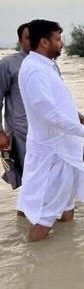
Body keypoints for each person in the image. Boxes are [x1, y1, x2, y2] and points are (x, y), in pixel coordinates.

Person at [17, 20, 84, 242]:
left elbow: (62, 104)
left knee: (68, 205)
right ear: (44, 42)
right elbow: (50, 113)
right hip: (53, 153)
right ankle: (32, 263)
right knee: (45, 217)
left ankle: (67, 257)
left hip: (66, 150)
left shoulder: (48, 66)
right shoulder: (34, 71)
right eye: (57, 39)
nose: (61, 44)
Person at [0, 24, 31, 189]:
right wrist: (0, 133)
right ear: (20, 40)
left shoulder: (49, 65)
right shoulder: (8, 64)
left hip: (46, 134)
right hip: (19, 134)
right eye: (28, 38)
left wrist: (81, 122)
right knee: (26, 180)